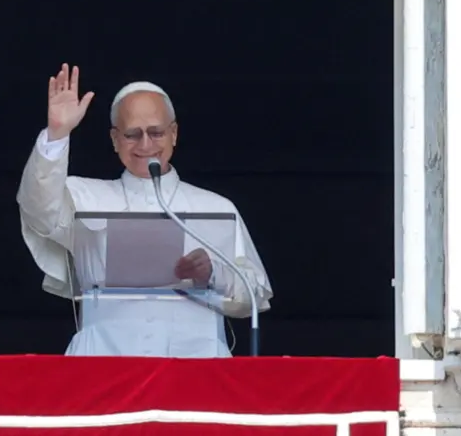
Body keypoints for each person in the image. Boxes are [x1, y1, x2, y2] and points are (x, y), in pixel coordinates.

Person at [17, 63, 272, 357]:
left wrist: (213, 274)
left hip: (197, 364)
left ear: (174, 133)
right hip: (104, 361)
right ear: (115, 140)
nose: (146, 144)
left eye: (156, 132)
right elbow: (39, 209)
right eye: (132, 134)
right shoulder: (82, 196)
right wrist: (57, 134)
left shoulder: (216, 207)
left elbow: (254, 294)